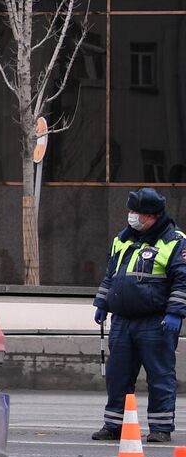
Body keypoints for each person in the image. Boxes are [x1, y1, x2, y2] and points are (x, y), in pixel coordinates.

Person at [91, 188, 186, 443]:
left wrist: (175, 313)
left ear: (152, 216)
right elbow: (111, 275)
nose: (132, 217)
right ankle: (114, 425)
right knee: (117, 374)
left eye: (137, 213)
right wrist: (102, 303)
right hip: (122, 320)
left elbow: (182, 281)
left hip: (156, 322)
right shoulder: (123, 239)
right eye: (131, 211)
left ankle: (160, 428)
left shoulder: (174, 241)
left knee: (160, 375)